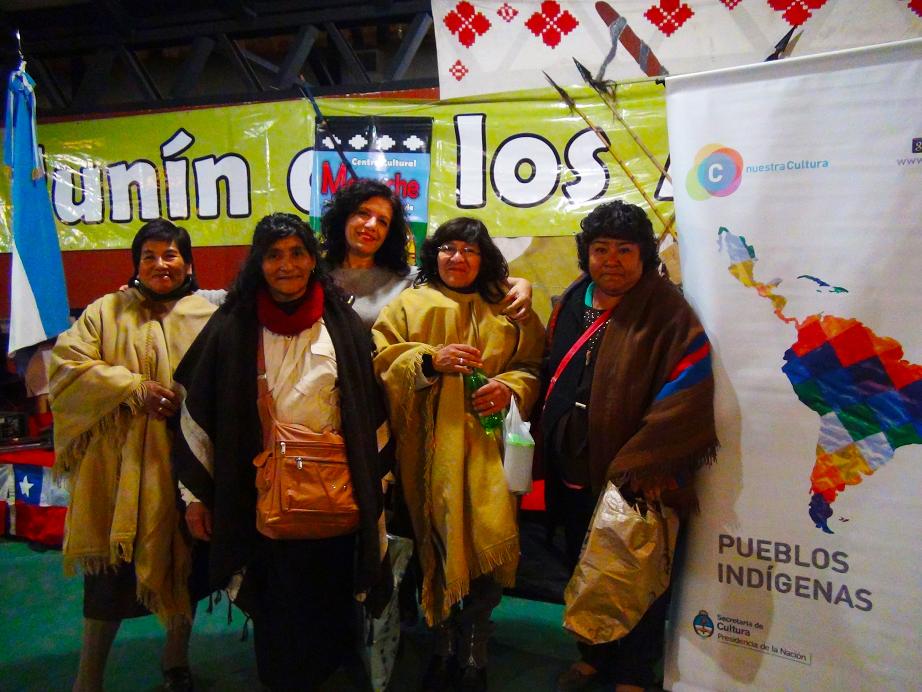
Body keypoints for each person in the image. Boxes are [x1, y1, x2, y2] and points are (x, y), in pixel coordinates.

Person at [171, 213, 393, 691]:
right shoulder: (233, 326)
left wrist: (377, 485)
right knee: (277, 609)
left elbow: (369, 411)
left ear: (313, 260)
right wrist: (196, 497)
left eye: (296, 253)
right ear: (259, 262)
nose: (286, 265)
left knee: (332, 600)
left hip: (335, 496)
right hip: (261, 497)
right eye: (273, 255)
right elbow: (200, 411)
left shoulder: (344, 325)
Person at [541, 201, 717, 692]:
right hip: (573, 466)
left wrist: (642, 462)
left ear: (644, 255)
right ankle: (593, 655)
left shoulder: (668, 311)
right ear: (587, 253)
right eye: (601, 249)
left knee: (637, 575)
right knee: (584, 563)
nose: (612, 261)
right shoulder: (572, 301)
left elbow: (688, 389)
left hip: (635, 476)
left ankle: (633, 674)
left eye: (624, 250)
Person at [372, 217, 544, 691]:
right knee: (437, 542)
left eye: (469, 249)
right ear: (434, 255)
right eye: (448, 248)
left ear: (484, 257)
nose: (458, 258)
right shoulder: (407, 305)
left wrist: (508, 389)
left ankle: (475, 648)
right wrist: (430, 360)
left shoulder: (508, 308)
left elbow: (532, 364)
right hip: (428, 455)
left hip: (490, 453)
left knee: (487, 540)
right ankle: (443, 642)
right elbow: (382, 364)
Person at [49, 219, 217, 692]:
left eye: (171, 255)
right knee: (110, 576)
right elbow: (66, 367)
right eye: (150, 256)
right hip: (119, 471)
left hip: (186, 467)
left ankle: (175, 662)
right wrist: (130, 388)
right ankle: (88, 679)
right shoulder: (106, 311)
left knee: (186, 566)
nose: (161, 264)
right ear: (137, 265)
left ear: (188, 264)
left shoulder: (206, 317)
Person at [320, 178, 533, 328]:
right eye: (363, 213)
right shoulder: (316, 274)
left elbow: (468, 280)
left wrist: (521, 284)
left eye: (383, 221)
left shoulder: (408, 279)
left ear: (390, 233)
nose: (371, 225)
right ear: (343, 217)